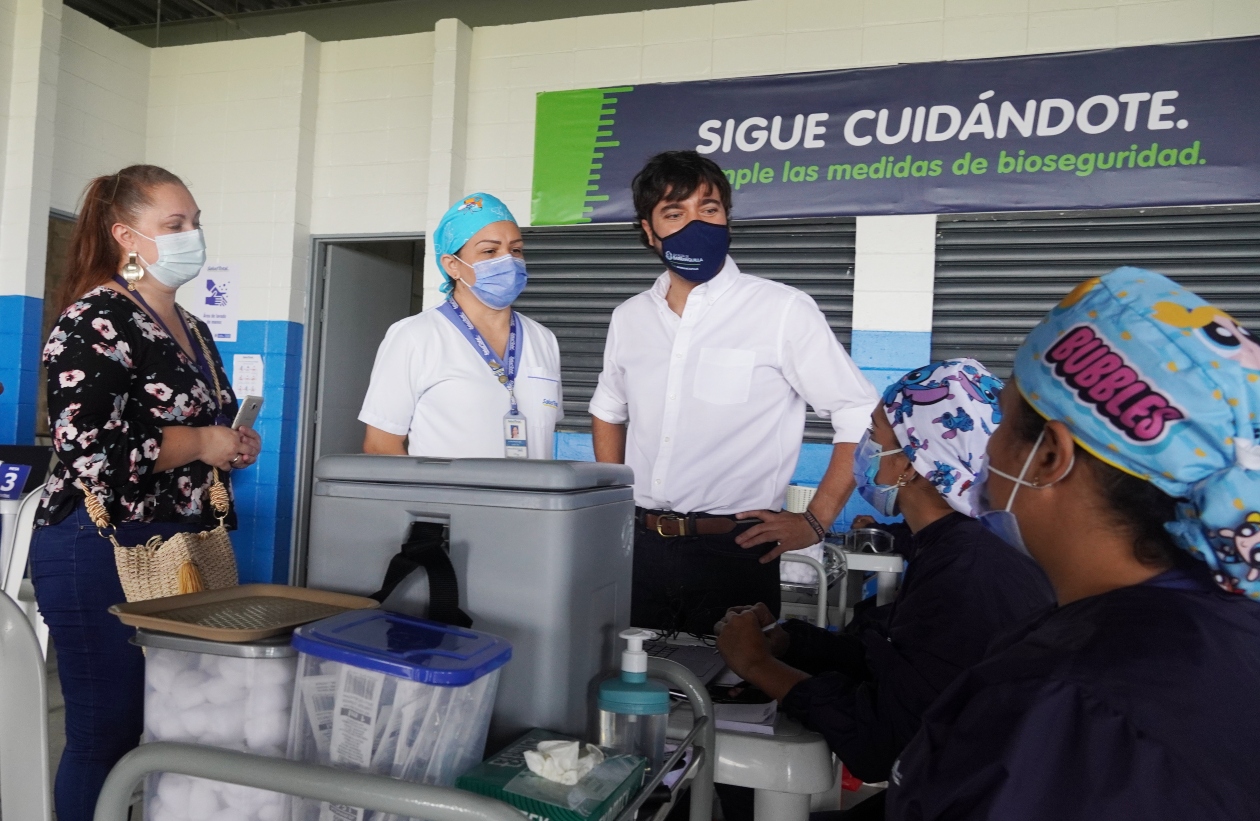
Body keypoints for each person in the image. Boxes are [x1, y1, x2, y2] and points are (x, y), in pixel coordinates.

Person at [886, 268, 1260, 821]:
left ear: (1049, 457)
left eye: (1005, 417)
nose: (985, 444)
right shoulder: (1225, 619)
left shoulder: (1066, 706)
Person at [714, 359, 1056, 820]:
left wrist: (756, 664)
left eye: (876, 432)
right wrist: (790, 640)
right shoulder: (957, 546)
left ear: (913, 463)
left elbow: (879, 744)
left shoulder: (968, 576)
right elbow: (901, 666)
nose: (864, 445)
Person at [31, 165, 261, 821]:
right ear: (127, 237)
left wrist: (232, 444)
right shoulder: (95, 321)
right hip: (97, 547)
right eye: (175, 225)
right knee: (105, 735)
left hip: (181, 541)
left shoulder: (193, 326)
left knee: (169, 726)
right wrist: (201, 443)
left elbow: (199, 429)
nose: (193, 236)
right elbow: (90, 452)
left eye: (195, 222)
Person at [590, 150, 879, 636]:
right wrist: (611, 507)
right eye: (674, 213)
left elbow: (859, 411)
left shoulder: (782, 309)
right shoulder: (630, 317)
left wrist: (815, 520)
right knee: (631, 688)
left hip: (735, 550)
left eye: (709, 208)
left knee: (733, 697)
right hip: (637, 548)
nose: (696, 223)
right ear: (648, 230)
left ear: (726, 218)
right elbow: (608, 410)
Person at [360, 193, 562, 458]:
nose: (508, 261)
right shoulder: (415, 337)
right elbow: (380, 446)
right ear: (452, 265)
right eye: (490, 251)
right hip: (449, 500)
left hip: (531, 500)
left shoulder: (543, 339)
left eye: (515, 250)